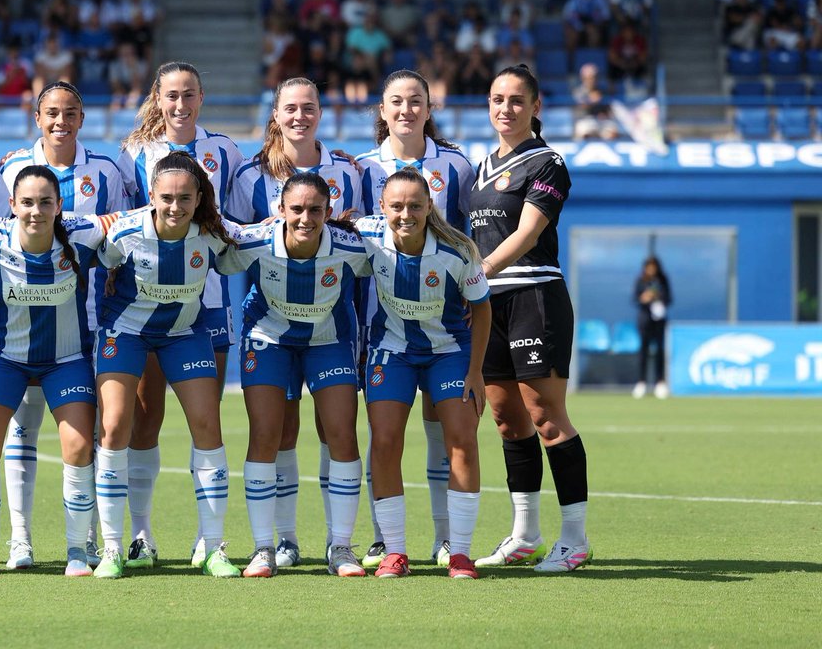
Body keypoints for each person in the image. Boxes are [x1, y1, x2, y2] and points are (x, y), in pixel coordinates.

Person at [0, 81, 127, 571]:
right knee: (20, 433)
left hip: (81, 326)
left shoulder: (106, 169)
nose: (60, 121)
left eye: (69, 113)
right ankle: (18, 540)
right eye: (51, 113)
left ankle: (81, 538)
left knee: (80, 439)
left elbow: (127, 227)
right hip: (18, 327)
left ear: (81, 118)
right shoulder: (8, 169)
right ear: (36, 117)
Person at [0, 167, 117, 576]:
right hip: (5, 356)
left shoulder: (81, 234)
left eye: (45, 202)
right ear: (12, 206)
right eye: (26, 202)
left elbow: (144, 217)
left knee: (78, 447)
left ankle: (77, 550)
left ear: (60, 206)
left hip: (66, 358)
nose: (36, 211)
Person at [224, 78, 362, 570]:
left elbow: (371, 245)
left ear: (321, 112)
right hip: (268, 331)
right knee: (271, 434)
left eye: (309, 107)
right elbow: (227, 245)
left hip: (332, 329)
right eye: (290, 108)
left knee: (339, 433)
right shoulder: (247, 175)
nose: (300, 115)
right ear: (276, 115)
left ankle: (340, 544)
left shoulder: (349, 169)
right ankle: (274, 543)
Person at [114, 62, 245, 570]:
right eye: (172, 95)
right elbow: (123, 222)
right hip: (146, 302)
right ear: (158, 98)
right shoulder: (133, 154)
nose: (180, 104)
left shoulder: (225, 151)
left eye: (189, 94)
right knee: (145, 419)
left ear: (201, 97)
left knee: (203, 421)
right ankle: (142, 537)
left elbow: (239, 224)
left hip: (206, 300)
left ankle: (206, 541)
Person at [468, 64, 590, 573]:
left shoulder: (548, 162)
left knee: (546, 418)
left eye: (517, 100)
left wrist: (476, 272)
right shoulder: (480, 167)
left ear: (535, 108)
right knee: (507, 420)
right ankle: (526, 535)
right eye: (498, 98)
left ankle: (576, 539)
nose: (506, 108)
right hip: (491, 304)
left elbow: (527, 234)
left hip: (535, 296)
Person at [356, 69, 475, 570]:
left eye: (415, 101)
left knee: (444, 434)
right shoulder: (359, 168)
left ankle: (450, 541)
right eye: (396, 102)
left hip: (446, 324)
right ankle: (387, 541)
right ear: (381, 111)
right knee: (379, 433)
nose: (406, 110)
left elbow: (468, 236)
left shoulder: (458, 165)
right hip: (383, 322)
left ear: (429, 108)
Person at [633, 256, 672, 400]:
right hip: (645, 320)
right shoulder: (641, 280)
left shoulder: (663, 280)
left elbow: (669, 298)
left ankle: (660, 382)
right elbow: (635, 298)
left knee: (659, 350)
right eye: (648, 266)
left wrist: (658, 297)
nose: (651, 269)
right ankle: (641, 382)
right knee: (644, 350)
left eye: (653, 266)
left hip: (659, 321)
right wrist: (645, 298)